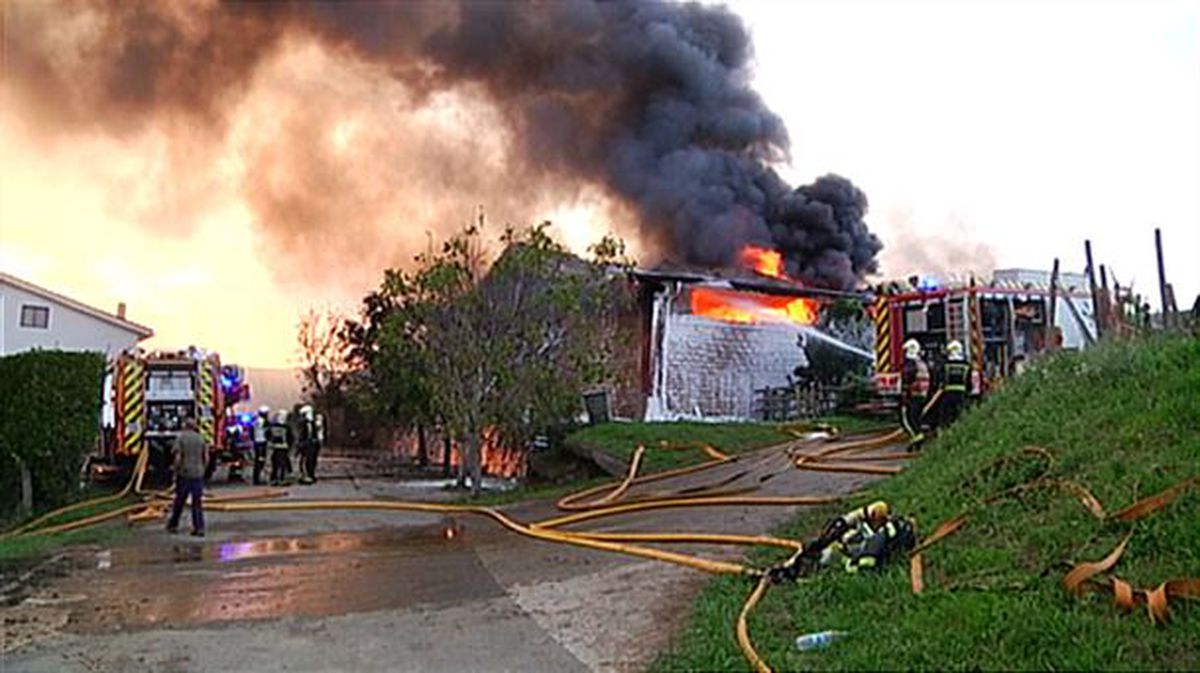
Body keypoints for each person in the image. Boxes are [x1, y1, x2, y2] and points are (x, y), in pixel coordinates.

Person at [166, 418, 208, 537]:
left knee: (179, 501)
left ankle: (173, 524)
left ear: (185, 426)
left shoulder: (181, 438)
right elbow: (206, 456)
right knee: (197, 502)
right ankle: (199, 528)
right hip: (198, 474)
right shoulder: (201, 439)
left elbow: (178, 457)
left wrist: (175, 470)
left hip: (184, 474)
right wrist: (203, 469)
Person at [900, 339, 930, 443]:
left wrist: (904, 395)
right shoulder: (921, 363)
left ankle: (917, 437)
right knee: (916, 418)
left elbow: (907, 380)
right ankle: (918, 437)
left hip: (913, 395)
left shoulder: (911, 365)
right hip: (922, 395)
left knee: (908, 419)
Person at [938, 340, 970, 428]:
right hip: (961, 394)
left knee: (947, 415)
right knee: (960, 414)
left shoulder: (946, 365)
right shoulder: (966, 365)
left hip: (948, 393)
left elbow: (941, 379)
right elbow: (969, 382)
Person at [267, 409, 292, 486]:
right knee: (282, 464)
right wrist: (290, 445)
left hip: (275, 448)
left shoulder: (272, 426)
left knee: (275, 464)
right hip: (283, 447)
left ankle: (274, 479)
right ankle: (281, 479)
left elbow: (267, 434)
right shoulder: (287, 427)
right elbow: (290, 437)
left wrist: (270, 442)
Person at [296, 405, 319, 485]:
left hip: (311, 444)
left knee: (311, 460)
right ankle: (305, 475)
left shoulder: (312, 423)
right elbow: (301, 434)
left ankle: (310, 474)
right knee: (306, 460)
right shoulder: (303, 423)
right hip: (306, 444)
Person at [252, 406, 269, 485]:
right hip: (262, 442)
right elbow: (268, 432)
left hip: (256, 442)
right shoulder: (265, 422)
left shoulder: (255, 421)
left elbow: (251, 431)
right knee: (261, 460)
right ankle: (259, 478)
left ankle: (256, 478)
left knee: (257, 461)